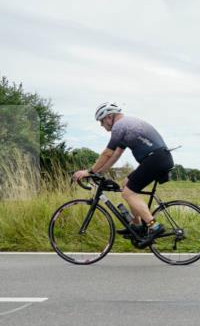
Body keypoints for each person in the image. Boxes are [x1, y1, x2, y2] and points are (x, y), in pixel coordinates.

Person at [72, 103, 174, 243]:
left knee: (128, 193)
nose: (101, 125)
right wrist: (100, 172)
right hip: (158, 158)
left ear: (109, 117)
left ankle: (154, 226)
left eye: (101, 121)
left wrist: (89, 171)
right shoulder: (127, 125)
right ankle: (137, 225)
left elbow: (107, 153)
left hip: (155, 159)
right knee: (126, 184)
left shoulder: (119, 126)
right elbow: (116, 154)